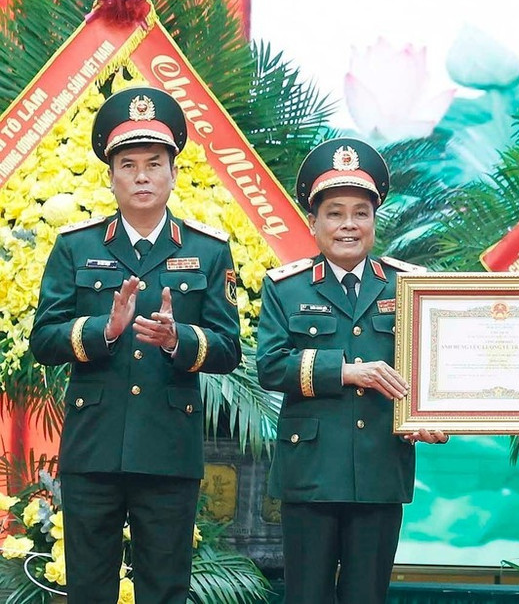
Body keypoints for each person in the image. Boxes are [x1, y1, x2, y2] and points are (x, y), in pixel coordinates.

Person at [30, 86, 242, 603]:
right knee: (88, 586)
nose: (141, 175)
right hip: (94, 446)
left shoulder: (208, 250)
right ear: (111, 175)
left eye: (153, 163)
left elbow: (229, 348)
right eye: (128, 164)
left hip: (169, 447)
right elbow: (43, 339)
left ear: (173, 172)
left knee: (165, 587)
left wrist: (179, 339)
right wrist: (102, 331)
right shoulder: (75, 245)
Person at [256, 137, 448, 604]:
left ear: (374, 221)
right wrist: (345, 371)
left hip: (381, 465)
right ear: (313, 222)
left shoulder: (410, 287)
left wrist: (434, 416)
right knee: (306, 596)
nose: (348, 225)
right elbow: (270, 366)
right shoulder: (286, 287)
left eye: (360, 213)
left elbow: (433, 371)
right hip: (311, 472)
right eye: (335, 213)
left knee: (367, 596)